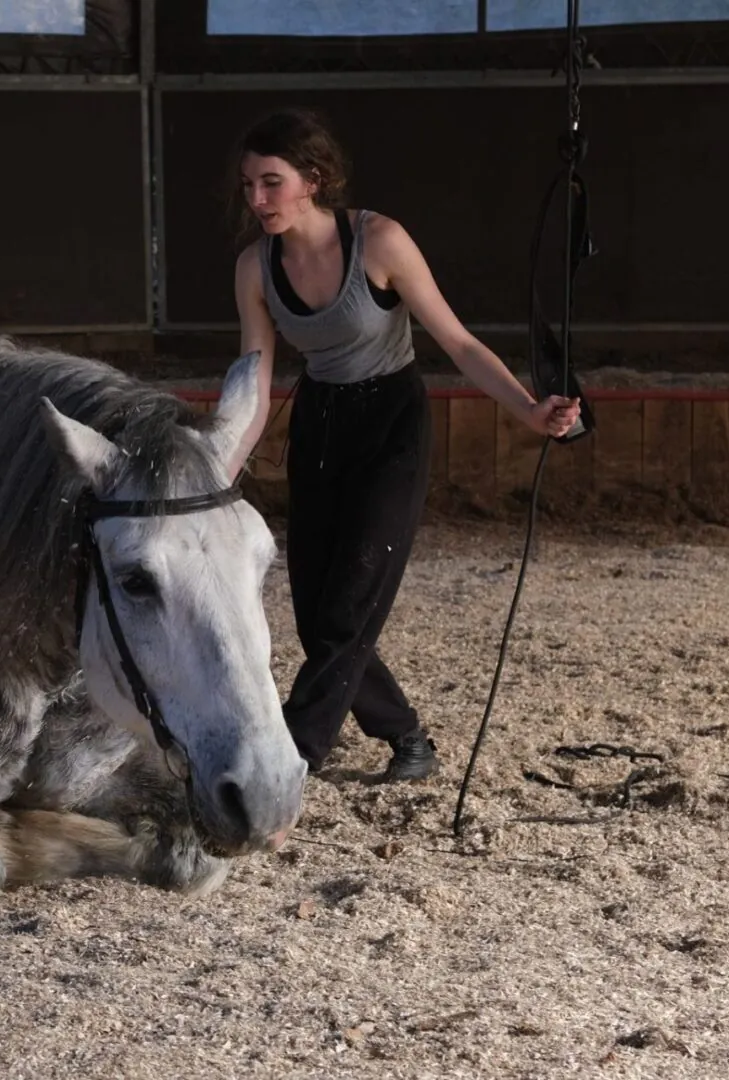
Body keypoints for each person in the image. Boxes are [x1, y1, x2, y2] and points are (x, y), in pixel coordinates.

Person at [226, 106, 581, 783]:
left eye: (270, 183)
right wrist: (226, 463)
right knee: (317, 616)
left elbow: (457, 341)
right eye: (247, 185)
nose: (256, 200)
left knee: (348, 603)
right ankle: (406, 737)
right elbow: (254, 374)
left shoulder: (380, 241)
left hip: (390, 423)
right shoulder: (254, 267)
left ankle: (290, 756)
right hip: (319, 425)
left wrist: (528, 411)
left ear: (314, 178)